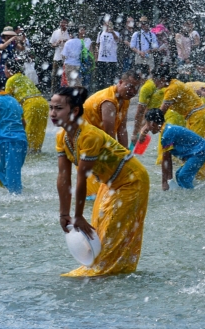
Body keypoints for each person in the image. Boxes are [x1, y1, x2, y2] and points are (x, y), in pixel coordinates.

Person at [51, 86, 149, 277]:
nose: (53, 113)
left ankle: (111, 275)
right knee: (100, 232)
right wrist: (64, 214)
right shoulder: (62, 136)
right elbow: (63, 177)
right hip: (110, 183)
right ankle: (105, 270)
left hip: (132, 181)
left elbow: (81, 177)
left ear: (75, 111)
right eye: (51, 107)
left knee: (114, 231)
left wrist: (77, 215)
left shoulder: (89, 136)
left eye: (58, 108)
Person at [81, 71, 143, 198]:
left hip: (97, 140)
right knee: (95, 194)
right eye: (130, 86)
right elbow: (109, 136)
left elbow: (122, 130)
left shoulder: (124, 99)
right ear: (120, 82)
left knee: (108, 188)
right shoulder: (108, 101)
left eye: (136, 88)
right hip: (85, 142)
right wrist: (117, 159)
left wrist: (126, 155)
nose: (133, 91)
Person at [155, 67, 205, 180]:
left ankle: (198, 178)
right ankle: (204, 176)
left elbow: (159, 114)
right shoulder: (174, 84)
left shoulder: (172, 88)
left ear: (163, 78)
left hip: (198, 118)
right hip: (198, 116)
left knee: (197, 149)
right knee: (200, 148)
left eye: (155, 80)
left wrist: (145, 127)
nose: (154, 83)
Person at [141, 108, 205, 190]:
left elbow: (166, 160)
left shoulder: (167, 134)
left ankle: (193, 195)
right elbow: (168, 159)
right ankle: (189, 189)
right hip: (200, 149)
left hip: (201, 150)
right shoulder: (167, 130)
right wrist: (169, 180)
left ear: (152, 123)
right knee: (178, 174)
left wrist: (164, 182)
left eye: (147, 124)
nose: (148, 128)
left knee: (183, 176)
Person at [0, 74, 28, 193]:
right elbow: (23, 123)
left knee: (11, 174)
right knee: (5, 170)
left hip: (8, 142)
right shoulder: (14, 100)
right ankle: (9, 194)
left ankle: (16, 200)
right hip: (21, 141)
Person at [3, 56, 49, 153]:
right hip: (43, 102)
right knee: (38, 131)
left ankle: (26, 154)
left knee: (28, 131)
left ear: (10, 69)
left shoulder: (10, 80)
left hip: (31, 104)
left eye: (5, 68)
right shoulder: (23, 77)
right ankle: (36, 152)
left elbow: (8, 101)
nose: (4, 70)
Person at [95, 21, 121, 89]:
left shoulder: (116, 33)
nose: (107, 26)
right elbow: (97, 45)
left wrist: (112, 32)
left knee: (111, 78)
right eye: (106, 24)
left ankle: (111, 91)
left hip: (112, 59)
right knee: (100, 78)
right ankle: (100, 91)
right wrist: (96, 57)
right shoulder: (100, 33)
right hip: (101, 59)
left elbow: (118, 40)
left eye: (109, 24)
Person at [49, 18, 71, 85]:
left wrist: (66, 41)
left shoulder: (70, 33)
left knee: (66, 75)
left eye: (64, 23)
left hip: (67, 58)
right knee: (54, 75)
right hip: (57, 57)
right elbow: (51, 44)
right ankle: (53, 91)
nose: (63, 24)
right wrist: (56, 43)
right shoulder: (55, 32)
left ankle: (65, 90)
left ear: (67, 24)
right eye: (61, 22)